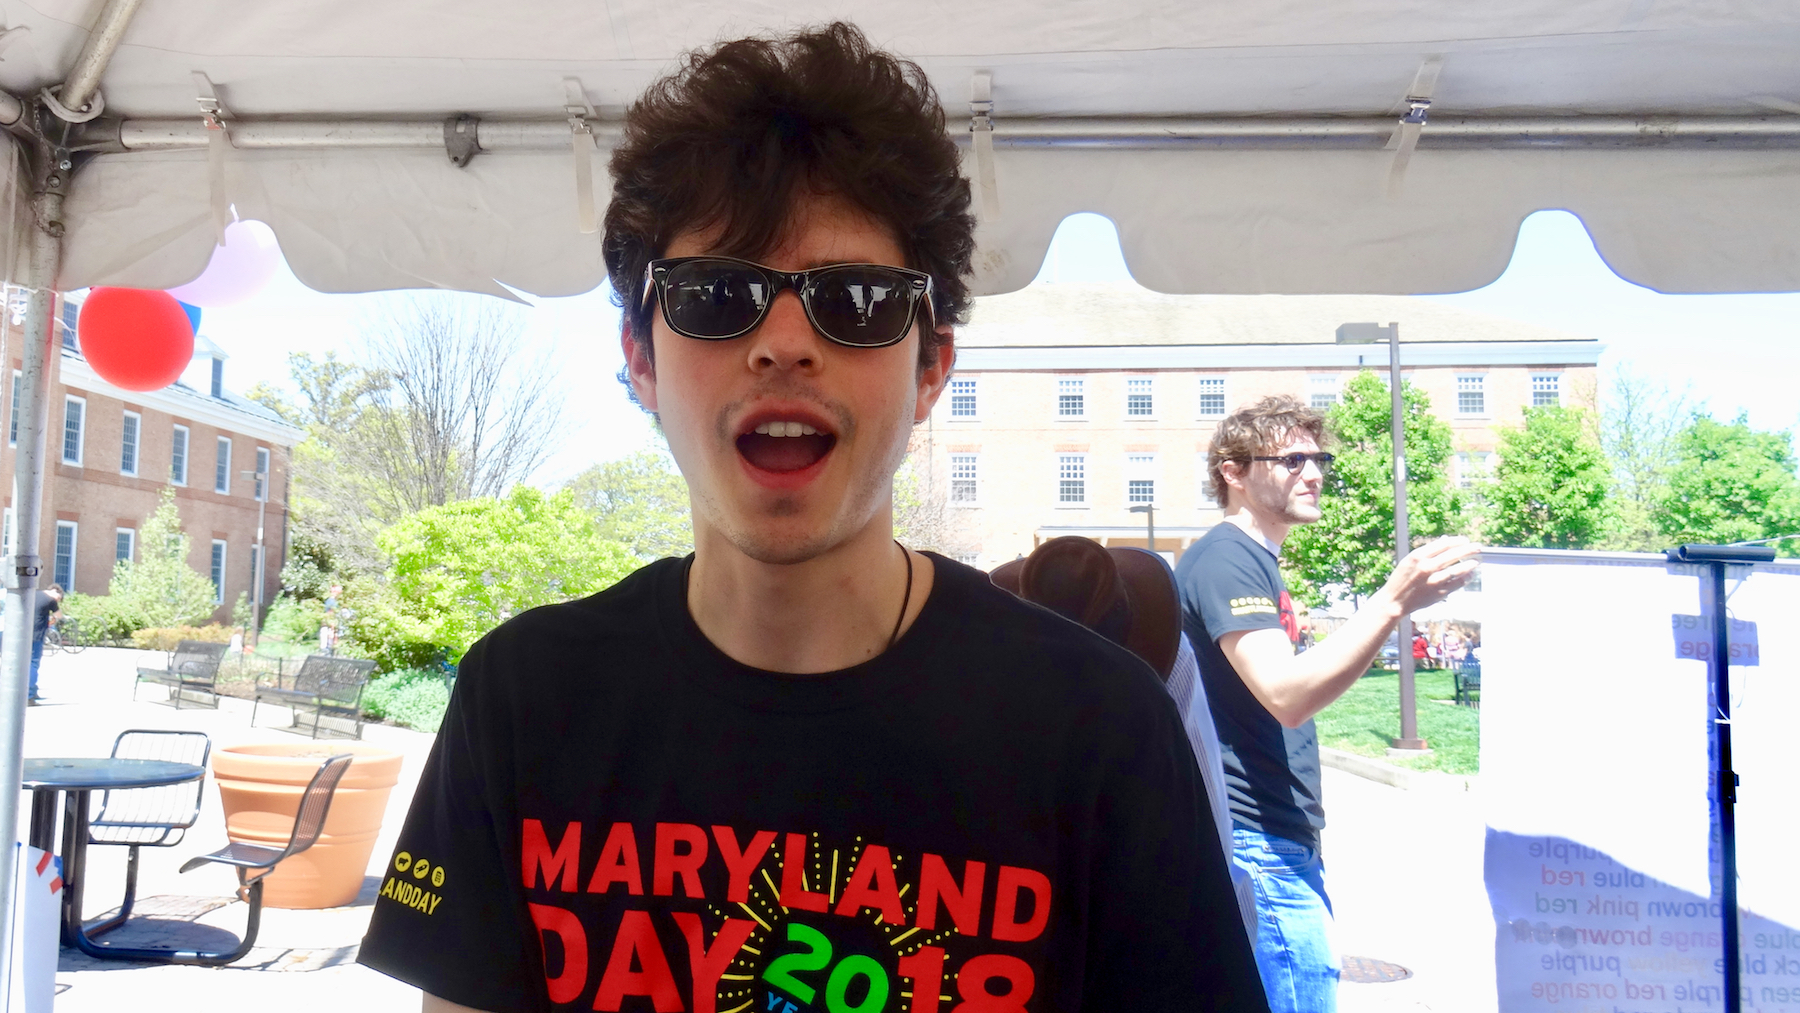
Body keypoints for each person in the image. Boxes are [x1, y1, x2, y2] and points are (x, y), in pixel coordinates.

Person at [359, 24, 1264, 1013]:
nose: (783, 342)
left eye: (858, 299)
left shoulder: (1099, 727)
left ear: (932, 370)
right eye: (716, 294)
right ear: (642, 358)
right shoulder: (523, 698)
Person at [1175, 396, 1480, 1013]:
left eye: (1319, 458)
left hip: (1279, 841)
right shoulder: (1227, 559)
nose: (1313, 473)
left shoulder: (1257, 560)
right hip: (1259, 843)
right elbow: (1286, 696)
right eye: (1291, 459)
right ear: (1233, 471)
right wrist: (1392, 602)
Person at [28, 583, 62, 705]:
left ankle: (32, 690)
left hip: (24, 633)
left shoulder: (33, 594)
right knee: (33, 663)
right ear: (56, 593)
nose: (58, 600)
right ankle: (29, 696)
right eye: (59, 598)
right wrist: (54, 619)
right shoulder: (50, 600)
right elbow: (59, 615)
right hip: (37, 634)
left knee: (23, 663)